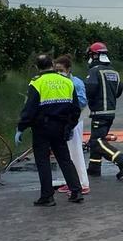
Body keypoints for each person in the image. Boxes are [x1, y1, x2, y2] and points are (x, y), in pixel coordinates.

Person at [16, 54, 83, 206]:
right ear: (52, 65)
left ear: (37, 67)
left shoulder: (36, 83)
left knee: (43, 161)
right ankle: (76, 191)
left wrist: (21, 127)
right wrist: (70, 125)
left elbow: (30, 109)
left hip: (42, 128)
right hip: (61, 127)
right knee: (65, 159)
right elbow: (75, 109)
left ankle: (47, 196)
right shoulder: (66, 82)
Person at [85, 41, 123, 179]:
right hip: (110, 112)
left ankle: (122, 161)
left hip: (99, 112)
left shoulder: (95, 71)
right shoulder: (114, 72)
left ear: (95, 56)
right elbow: (119, 90)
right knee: (98, 139)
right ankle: (94, 168)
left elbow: (90, 89)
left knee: (96, 142)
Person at [53, 55, 90, 196]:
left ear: (68, 69)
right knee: (65, 155)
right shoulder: (57, 83)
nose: (58, 73)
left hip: (73, 121)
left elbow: (81, 102)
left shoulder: (76, 82)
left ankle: (83, 183)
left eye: (61, 70)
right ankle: (70, 182)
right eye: (56, 70)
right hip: (62, 122)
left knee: (76, 153)